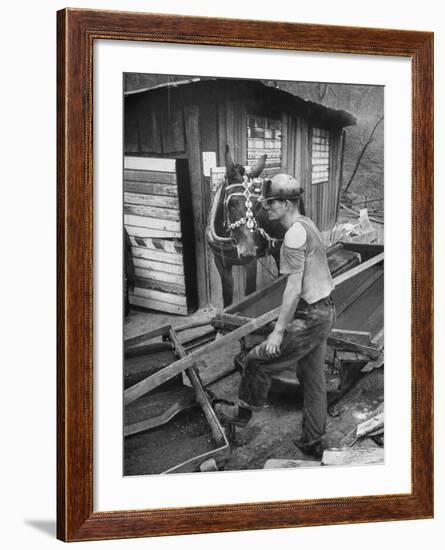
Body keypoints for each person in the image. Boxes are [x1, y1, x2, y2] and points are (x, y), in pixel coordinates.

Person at [214, 173, 336, 458]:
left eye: (270, 203)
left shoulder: (294, 234)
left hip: (309, 317)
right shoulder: (306, 224)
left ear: (287, 203)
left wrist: (278, 331)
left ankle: (242, 413)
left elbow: (293, 289)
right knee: (313, 378)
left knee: (256, 361)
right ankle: (312, 440)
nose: (265, 208)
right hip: (325, 310)